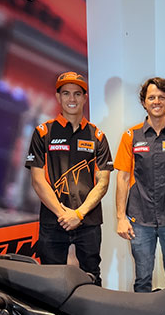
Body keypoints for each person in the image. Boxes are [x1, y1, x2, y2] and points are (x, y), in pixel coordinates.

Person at [25, 71, 113, 286]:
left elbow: (103, 182)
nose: (71, 99)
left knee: (91, 278)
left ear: (85, 98)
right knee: (51, 282)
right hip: (53, 220)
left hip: (88, 221)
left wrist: (78, 214)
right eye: (66, 93)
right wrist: (63, 214)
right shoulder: (43, 133)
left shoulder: (98, 136)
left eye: (77, 94)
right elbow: (37, 180)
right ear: (58, 97)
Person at [115, 77, 165, 292]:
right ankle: (143, 314)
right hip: (139, 219)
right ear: (144, 102)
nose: (156, 102)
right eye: (151, 97)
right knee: (142, 279)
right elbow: (122, 178)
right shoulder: (131, 137)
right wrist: (121, 218)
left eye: (161, 97)